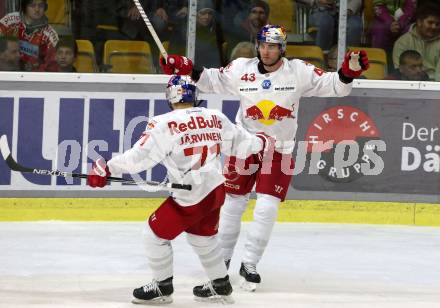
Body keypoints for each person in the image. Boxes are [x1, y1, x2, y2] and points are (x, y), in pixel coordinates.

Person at [159, 24, 369, 291]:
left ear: (282, 48)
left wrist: (348, 72)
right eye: (262, 45)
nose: (266, 51)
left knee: (267, 206)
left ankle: (250, 263)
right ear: (257, 45)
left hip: (279, 149)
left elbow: (333, 86)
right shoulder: (240, 68)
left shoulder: (299, 71)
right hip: (243, 146)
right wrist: (184, 66)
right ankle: (221, 261)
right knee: (233, 204)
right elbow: (210, 79)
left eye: (272, 46)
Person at [87, 75, 272, 303]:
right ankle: (220, 285)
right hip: (215, 190)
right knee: (202, 238)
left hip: (191, 195)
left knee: (153, 235)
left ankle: (162, 289)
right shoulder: (214, 116)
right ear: (194, 95)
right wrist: (263, 140)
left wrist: (107, 168)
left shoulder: (163, 123)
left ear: (169, 96)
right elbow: (244, 144)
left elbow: (139, 159)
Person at [0, 0, 58, 71]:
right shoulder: (9, 22)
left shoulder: (50, 36)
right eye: (32, 5)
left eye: (41, 6)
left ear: (45, 8)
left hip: (32, 77)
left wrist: (37, 68)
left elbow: (51, 66)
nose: (37, 9)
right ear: (25, 7)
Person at [392, 3, 440, 81]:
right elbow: (400, 72)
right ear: (419, 22)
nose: (434, 27)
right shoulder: (403, 42)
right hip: (409, 86)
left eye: (437, 24)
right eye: (430, 22)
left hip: (435, 87)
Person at [298, 0, 363, 53]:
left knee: (355, 25)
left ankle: (351, 58)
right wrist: (316, 1)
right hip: (320, 11)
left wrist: (349, 10)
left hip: (347, 12)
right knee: (325, 21)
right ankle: (323, 58)